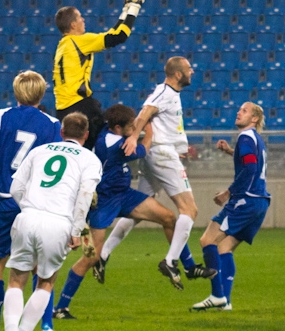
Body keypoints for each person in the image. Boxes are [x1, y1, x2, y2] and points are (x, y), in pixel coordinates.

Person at [52, 104, 215, 319]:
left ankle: (188, 266)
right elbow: (145, 149)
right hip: (102, 202)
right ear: (119, 127)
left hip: (124, 195)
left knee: (168, 218)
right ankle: (61, 308)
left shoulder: (108, 132)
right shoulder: (118, 146)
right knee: (90, 257)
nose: (135, 128)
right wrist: (149, 132)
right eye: (131, 126)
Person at [0, 71, 62, 331]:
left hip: (5, 202)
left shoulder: (0, 116)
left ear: (15, 91)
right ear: (42, 93)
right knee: (39, 268)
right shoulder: (52, 124)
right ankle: (44, 326)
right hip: (35, 204)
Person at [1, 112, 102, 331]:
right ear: (86, 135)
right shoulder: (90, 159)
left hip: (27, 216)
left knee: (16, 280)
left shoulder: (40, 151)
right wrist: (77, 231)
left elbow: (15, 187)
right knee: (46, 282)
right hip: (58, 223)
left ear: (62, 132)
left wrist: (28, 208)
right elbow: (86, 194)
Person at [111, 56, 200, 290]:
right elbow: (144, 114)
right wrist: (133, 137)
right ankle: (172, 261)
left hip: (162, 153)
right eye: (189, 69)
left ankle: (102, 255)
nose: (193, 72)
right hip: (161, 154)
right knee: (189, 210)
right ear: (178, 74)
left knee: (140, 208)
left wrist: (176, 148)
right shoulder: (165, 92)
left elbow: (159, 122)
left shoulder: (171, 94)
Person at [191, 102, 271, 312]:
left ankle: (217, 295)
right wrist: (230, 152)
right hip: (260, 201)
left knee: (207, 240)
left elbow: (250, 168)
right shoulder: (255, 139)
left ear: (254, 118)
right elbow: (251, 161)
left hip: (245, 199)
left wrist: (228, 192)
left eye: (244, 111)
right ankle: (225, 302)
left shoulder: (245, 137)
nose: (238, 112)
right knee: (224, 248)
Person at [53, 0, 151, 150]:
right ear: (73, 25)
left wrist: (125, 10)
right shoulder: (79, 41)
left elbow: (111, 34)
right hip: (80, 107)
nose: (83, 19)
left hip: (63, 110)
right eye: (80, 17)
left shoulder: (64, 45)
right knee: (110, 141)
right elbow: (119, 36)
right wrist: (134, 7)